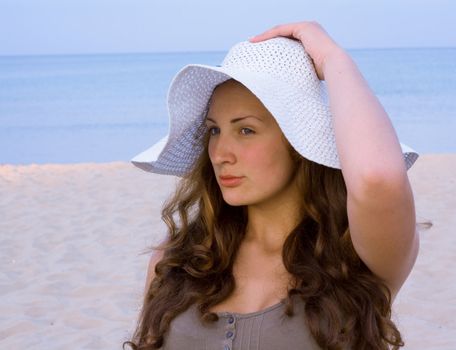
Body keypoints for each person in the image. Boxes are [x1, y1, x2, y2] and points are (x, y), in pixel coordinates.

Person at [125, 21, 420, 350]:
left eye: (246, 130)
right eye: (214, 130)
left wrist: (334, 59)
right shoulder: (179, 258)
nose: (220, 154)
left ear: (299, 143)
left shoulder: (355, 256)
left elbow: (377, 178)